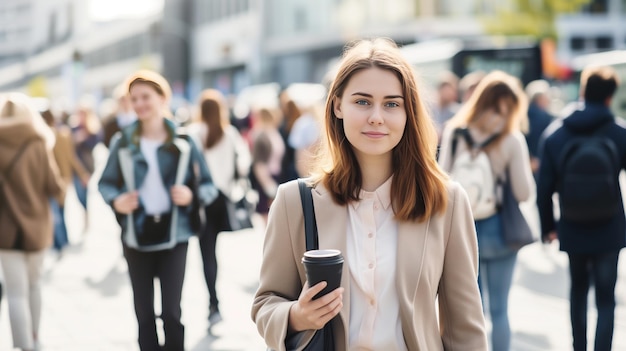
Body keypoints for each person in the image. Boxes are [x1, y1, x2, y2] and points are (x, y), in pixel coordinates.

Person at [251, 38, 488, 350]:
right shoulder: (294, 201)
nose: (377, 116)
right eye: (362, 101)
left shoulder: (447, 201)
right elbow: (266, 302)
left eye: (392, 103)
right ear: (337, 105)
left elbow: (466, 328)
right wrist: (298, 315)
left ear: (408, 112)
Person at [98, 69, 217, 351]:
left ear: (163, 98)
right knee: (144, 314)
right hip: (135, 237)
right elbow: (105, 184)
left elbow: (210, 186)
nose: (139, 104)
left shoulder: (186, 142)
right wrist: (117, 200)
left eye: (145, 97)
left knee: (172, 313)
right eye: (133, 98)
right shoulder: (122, 142)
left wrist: (191, 195)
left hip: (175, 235)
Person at [438, 70, 535, 351]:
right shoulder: (511, 138)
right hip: (501, 231)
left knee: (470, 311)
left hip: (461, 231)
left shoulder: (456, 131)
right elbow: (524, 193)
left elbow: (442, 181)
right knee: (500, 310)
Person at [537, 65, 626, 351]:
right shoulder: (619, 132)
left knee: (577, 292)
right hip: (610, 226)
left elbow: (544, 189)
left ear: (583, 92)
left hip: (573, 225)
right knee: (605, 299)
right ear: (610, 97)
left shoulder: (556, 134)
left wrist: (548, 227)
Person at [0, 92, 64, 351]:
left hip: (5, 230)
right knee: (35, 285)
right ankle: (36, 341)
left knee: (15, 292)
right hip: (38, 226)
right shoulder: (39, 142)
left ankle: (22, 346)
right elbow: (55, 187)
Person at [186, 88, 252, 328]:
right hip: (222, 199)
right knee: (213, 253)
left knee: (207, 253)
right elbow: (244, 164)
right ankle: (214, 305)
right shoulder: (230, 133)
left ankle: (213, 304)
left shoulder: (193, 133)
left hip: (201, 200)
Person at [41, 108, 90, 254]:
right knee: (60, 210)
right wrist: (82, 174)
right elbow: (72, 158)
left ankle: (59, 243)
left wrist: (82, 174)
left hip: (51, 180)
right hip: (64, 178)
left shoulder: (44, 136)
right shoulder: (64, 133)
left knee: (55, 212)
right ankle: (63, 241)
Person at [249, 107, 285, 222]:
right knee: (269, 216)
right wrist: (268, 186)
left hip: (276, 176)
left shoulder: (273, 132)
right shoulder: (261, 136)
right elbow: (259, 164)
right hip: (267, 178)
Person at [524, 79, 555, 179]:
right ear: (540, 99)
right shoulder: (546, 118)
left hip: (525, 162)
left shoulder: (522, 115)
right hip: (540, 164)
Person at [102, 83, 137, 148]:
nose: (125, 103)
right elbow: (107, 141)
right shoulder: (112, 123)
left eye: (127, 99)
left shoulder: (139, 119)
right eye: (122, 100)